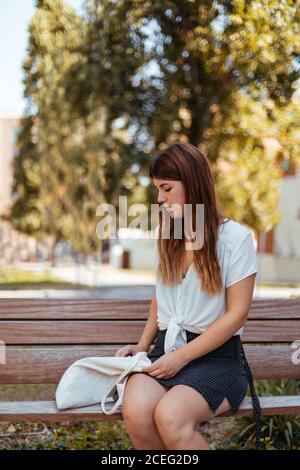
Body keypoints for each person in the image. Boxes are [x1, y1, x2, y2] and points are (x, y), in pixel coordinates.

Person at [115, 142, 263, 450]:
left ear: (192, 183)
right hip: (164, 354)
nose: (160, 198)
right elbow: (162, 297)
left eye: (167, 188)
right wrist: (143, 344)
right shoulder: (170, 236)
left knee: (171, 416)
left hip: (218, 361)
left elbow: (237, 315)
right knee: (137, 411)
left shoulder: (235, 239)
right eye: (158, 189)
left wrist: (180, 358)